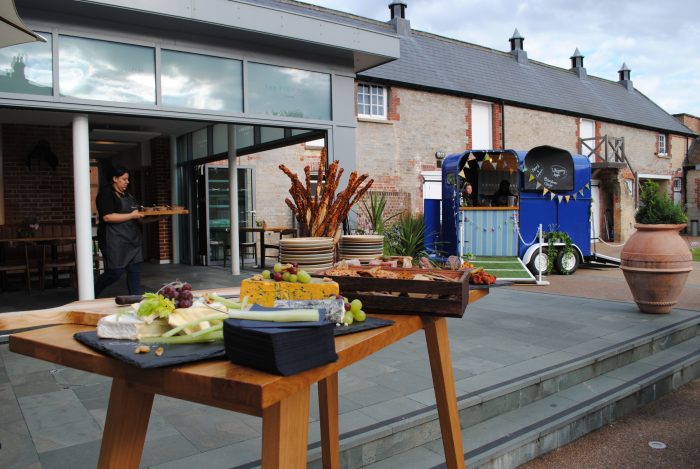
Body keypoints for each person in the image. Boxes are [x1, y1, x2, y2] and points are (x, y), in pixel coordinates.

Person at [94, 166, 145, 297]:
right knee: (115, 272)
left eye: (127, 179)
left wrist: (161, 217)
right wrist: (132, 216)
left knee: (135, 270)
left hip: (132, 239)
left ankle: (136, 300)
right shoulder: (106, 193)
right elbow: (107, 217)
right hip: (114, 240)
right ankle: (91, 293)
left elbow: (137, 217)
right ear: (115, 179)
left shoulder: (128, 195)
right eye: (124, 179)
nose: (127, 182)